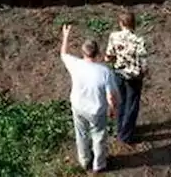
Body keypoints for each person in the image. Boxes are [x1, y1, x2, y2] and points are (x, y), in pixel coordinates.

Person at [59, 23, 119, 173]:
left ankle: (84, 160)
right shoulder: (105, 72)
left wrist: (65, 36)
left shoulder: (75, 64)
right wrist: (112, 108)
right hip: (97, 110)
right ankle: (99, 164)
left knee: (81, 134)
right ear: (98, 53)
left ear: (83, 52)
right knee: (99, 137)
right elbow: (111, 95)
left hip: (78, 107)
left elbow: (63, 54)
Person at [104, 11, 148, 145]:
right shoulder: (139, 40)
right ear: (134, 23)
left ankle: (120, 128)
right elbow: (144, 62)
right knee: (132, 104)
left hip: (119, 73)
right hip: (134, 76)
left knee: (121, 102)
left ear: (121, 23)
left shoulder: (114, 36)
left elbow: (108, 56)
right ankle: (127, 135)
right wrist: (143, 73)